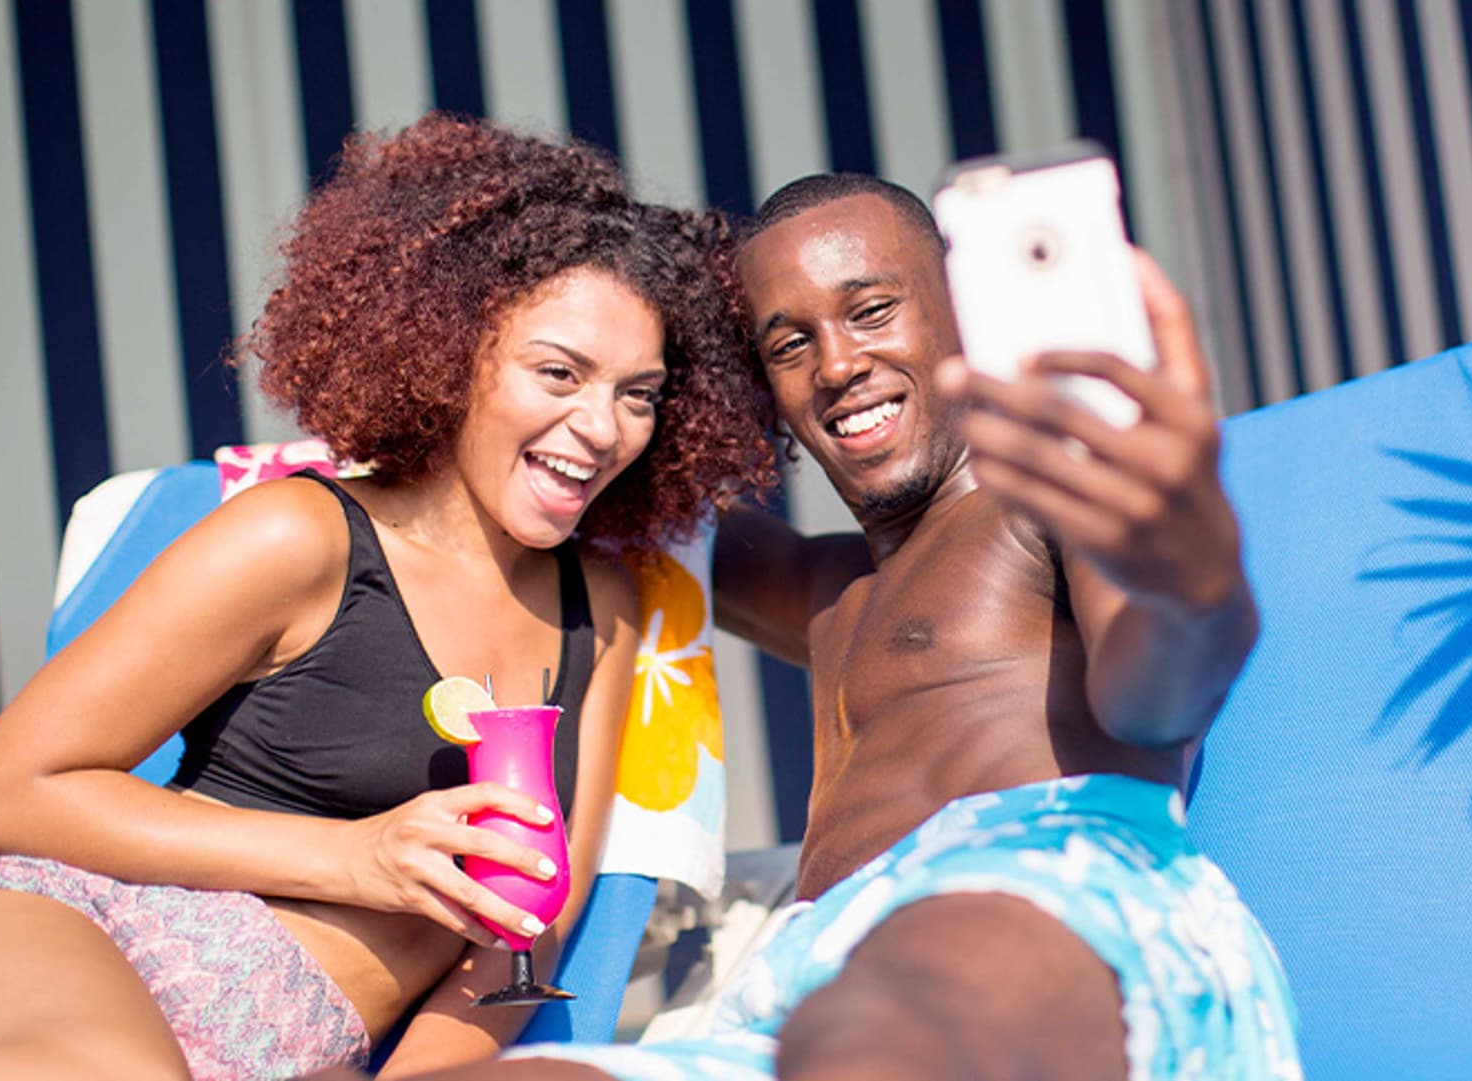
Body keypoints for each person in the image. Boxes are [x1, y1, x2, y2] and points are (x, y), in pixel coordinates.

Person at [0, 113, 776, 1081]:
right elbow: (1, 794)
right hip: (62, 944)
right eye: (557, 373)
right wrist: (355, 857)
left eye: (639, 393)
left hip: (286, 1047)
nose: (600, 426)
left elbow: (524, 927)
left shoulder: (601, 609)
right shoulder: (296, 537)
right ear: (451, 351)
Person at [369, 173, 1303, 1081]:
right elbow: (600, 485)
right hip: (797, 993)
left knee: (865, 1025)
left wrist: (1190, 569)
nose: (839, 364)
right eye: (788, 345)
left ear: (960, 315)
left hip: (1048, 908)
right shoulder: (823, 590)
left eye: (872, 311)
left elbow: (1158, 695)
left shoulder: (1042, 507)